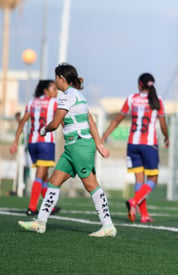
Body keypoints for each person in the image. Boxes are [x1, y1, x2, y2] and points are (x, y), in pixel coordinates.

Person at [18, 63, 116, 237]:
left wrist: (43, 130)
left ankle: (108, 225)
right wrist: (99, 144)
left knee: (91, 185)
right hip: (71, 148)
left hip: (80, 146)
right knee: (53, 182)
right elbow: (90, 121)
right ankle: (40, 222)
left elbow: (55, 124)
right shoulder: (77, 95)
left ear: (62, 79)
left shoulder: (66, 97)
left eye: (56, 78)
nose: (55, 82)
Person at [101, 73, 169, 223]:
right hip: (149, 145)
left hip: (132, 144)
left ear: (139, 84)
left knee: (139, 179)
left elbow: (118, 119)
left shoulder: (132, 99)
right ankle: (135, 201)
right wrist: (166, 136)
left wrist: (104, 136)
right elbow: (163, 123)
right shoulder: (158, 101)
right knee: (152, 179)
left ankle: (143, 214)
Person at [10, 80, 61, 216]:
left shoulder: (32, 101)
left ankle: (50, 205)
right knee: (40, 174)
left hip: (32, 143)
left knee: (44, 175)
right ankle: (32, 207)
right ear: (46, 91)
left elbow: (23, 121)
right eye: (54, 89)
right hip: (46, 142)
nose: (56, 91)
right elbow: (61, 120)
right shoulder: (54, 103)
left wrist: (16, 141)